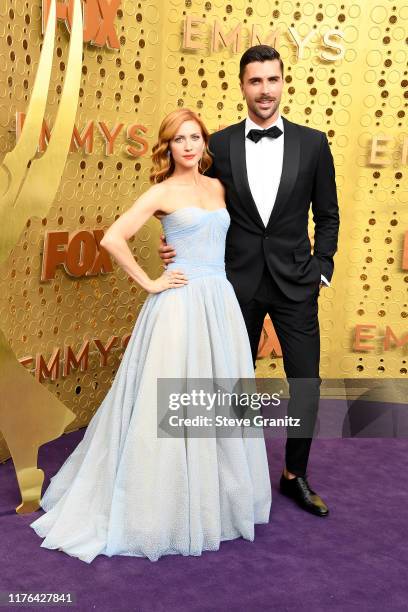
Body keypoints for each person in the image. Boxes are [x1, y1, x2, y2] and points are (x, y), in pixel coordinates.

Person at [29, 108, 272, 563]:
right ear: (168, 146)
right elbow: (113, 238)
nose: (188, 145)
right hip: (179, 306)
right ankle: (161, 505)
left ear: (204, 144)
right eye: (179, 138)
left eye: (195, 137)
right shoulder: (160, 192)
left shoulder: (219, 187)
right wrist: (153, 281)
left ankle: (212, 500)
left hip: (218, 302)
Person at [159, 46, 340, 517]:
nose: (264, 90)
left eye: (272, 80)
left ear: (284, 83)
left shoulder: (313, 143)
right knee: (231, 383)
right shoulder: (216, 145)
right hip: (233, 281)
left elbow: (328, 213)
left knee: (306, 383)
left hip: (296, 280)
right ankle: (227, 477)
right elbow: (195, 202)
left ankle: (293, 476)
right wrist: (174, 243)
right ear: (242, 86)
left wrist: (322, 266)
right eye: (255, 81)